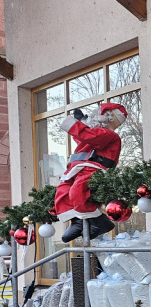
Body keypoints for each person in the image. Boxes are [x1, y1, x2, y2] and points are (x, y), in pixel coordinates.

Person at [54, 102, 127, 243]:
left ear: (108, 117)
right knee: (62, 190)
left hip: (95, 169)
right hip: (77, 168)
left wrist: (76, 124)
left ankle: (98, 220)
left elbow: (90, 136)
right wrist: (81, 123)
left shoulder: (109, 135)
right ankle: (77, 221)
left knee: (78, 191)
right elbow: (83, 137)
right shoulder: (96, 132)